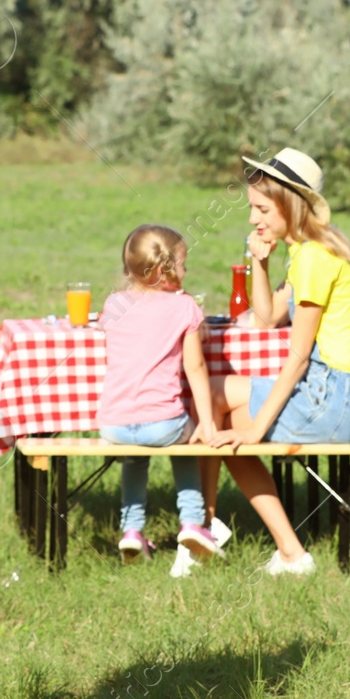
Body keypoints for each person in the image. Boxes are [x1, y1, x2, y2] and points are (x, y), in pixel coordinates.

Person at [203, 148, 350, 576]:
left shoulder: (315, 258)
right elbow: (267, 318)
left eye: (262, 209)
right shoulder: (307, 251)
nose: (253, 219)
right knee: (215, 404)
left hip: (337, 404)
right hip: (342, 398)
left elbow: (299, 356)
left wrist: (255, 428)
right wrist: (259, 263)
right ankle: (208, 527)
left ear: (288, 203)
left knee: (224, 426)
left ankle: (228, 534)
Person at [95, 225, 221, 577]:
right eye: (182, 264)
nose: (186, 271)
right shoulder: (184, 307)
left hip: (115, 425)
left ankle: (132, 529)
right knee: (188, 441)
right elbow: (195, 367)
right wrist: (206, 423)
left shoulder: (114, 303)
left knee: (135, 456)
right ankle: (193, 522)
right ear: (165, 270)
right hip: (164, 424)